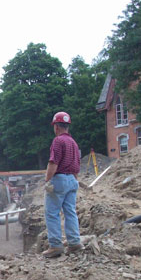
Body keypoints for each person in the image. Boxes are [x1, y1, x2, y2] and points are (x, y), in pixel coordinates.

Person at [42, 111, 82, 258]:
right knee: (70, 212)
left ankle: (55, 246)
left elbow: (53, 163)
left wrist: (47, 180)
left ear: (56, 127)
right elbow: (77, 165)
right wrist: (74, 180)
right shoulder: (73, 143)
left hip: (60, 179)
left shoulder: (58, 141)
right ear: (67, 126)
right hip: (72, 179)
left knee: (52, 213)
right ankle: (74, 242)